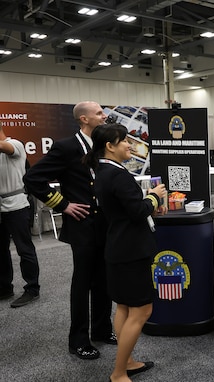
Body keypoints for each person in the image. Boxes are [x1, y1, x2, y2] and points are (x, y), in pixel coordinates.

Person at [24, 101, 115, 360]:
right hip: (83, 226)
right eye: (99, 113)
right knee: (83, 283)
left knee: (103, 280)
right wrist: (63, 205)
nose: (104, 115)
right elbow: (32, 179)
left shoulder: (101, 146)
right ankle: (78, 340)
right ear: (84, 119)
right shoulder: (66, 147)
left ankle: (102, 329)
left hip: (104, 225)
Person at [84, 123, 165, 382]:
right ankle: (119, 372)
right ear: (110, 146)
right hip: (131, 250)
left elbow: (125, 208)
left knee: (124, 308)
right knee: (141, 311)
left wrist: (145, 202)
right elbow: (137, 211)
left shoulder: (105, 171)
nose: (130, 145)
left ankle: (126, 361)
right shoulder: (117, 175)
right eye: (124, 141)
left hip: (118, 248)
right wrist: (154, 197)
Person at [0, 126, 41, 308]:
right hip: (1, 207)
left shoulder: (14, 144)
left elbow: (5, 148)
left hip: (17, 206)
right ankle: (4, 288)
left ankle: (32, 289)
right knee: (1, 251)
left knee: (24, 249)